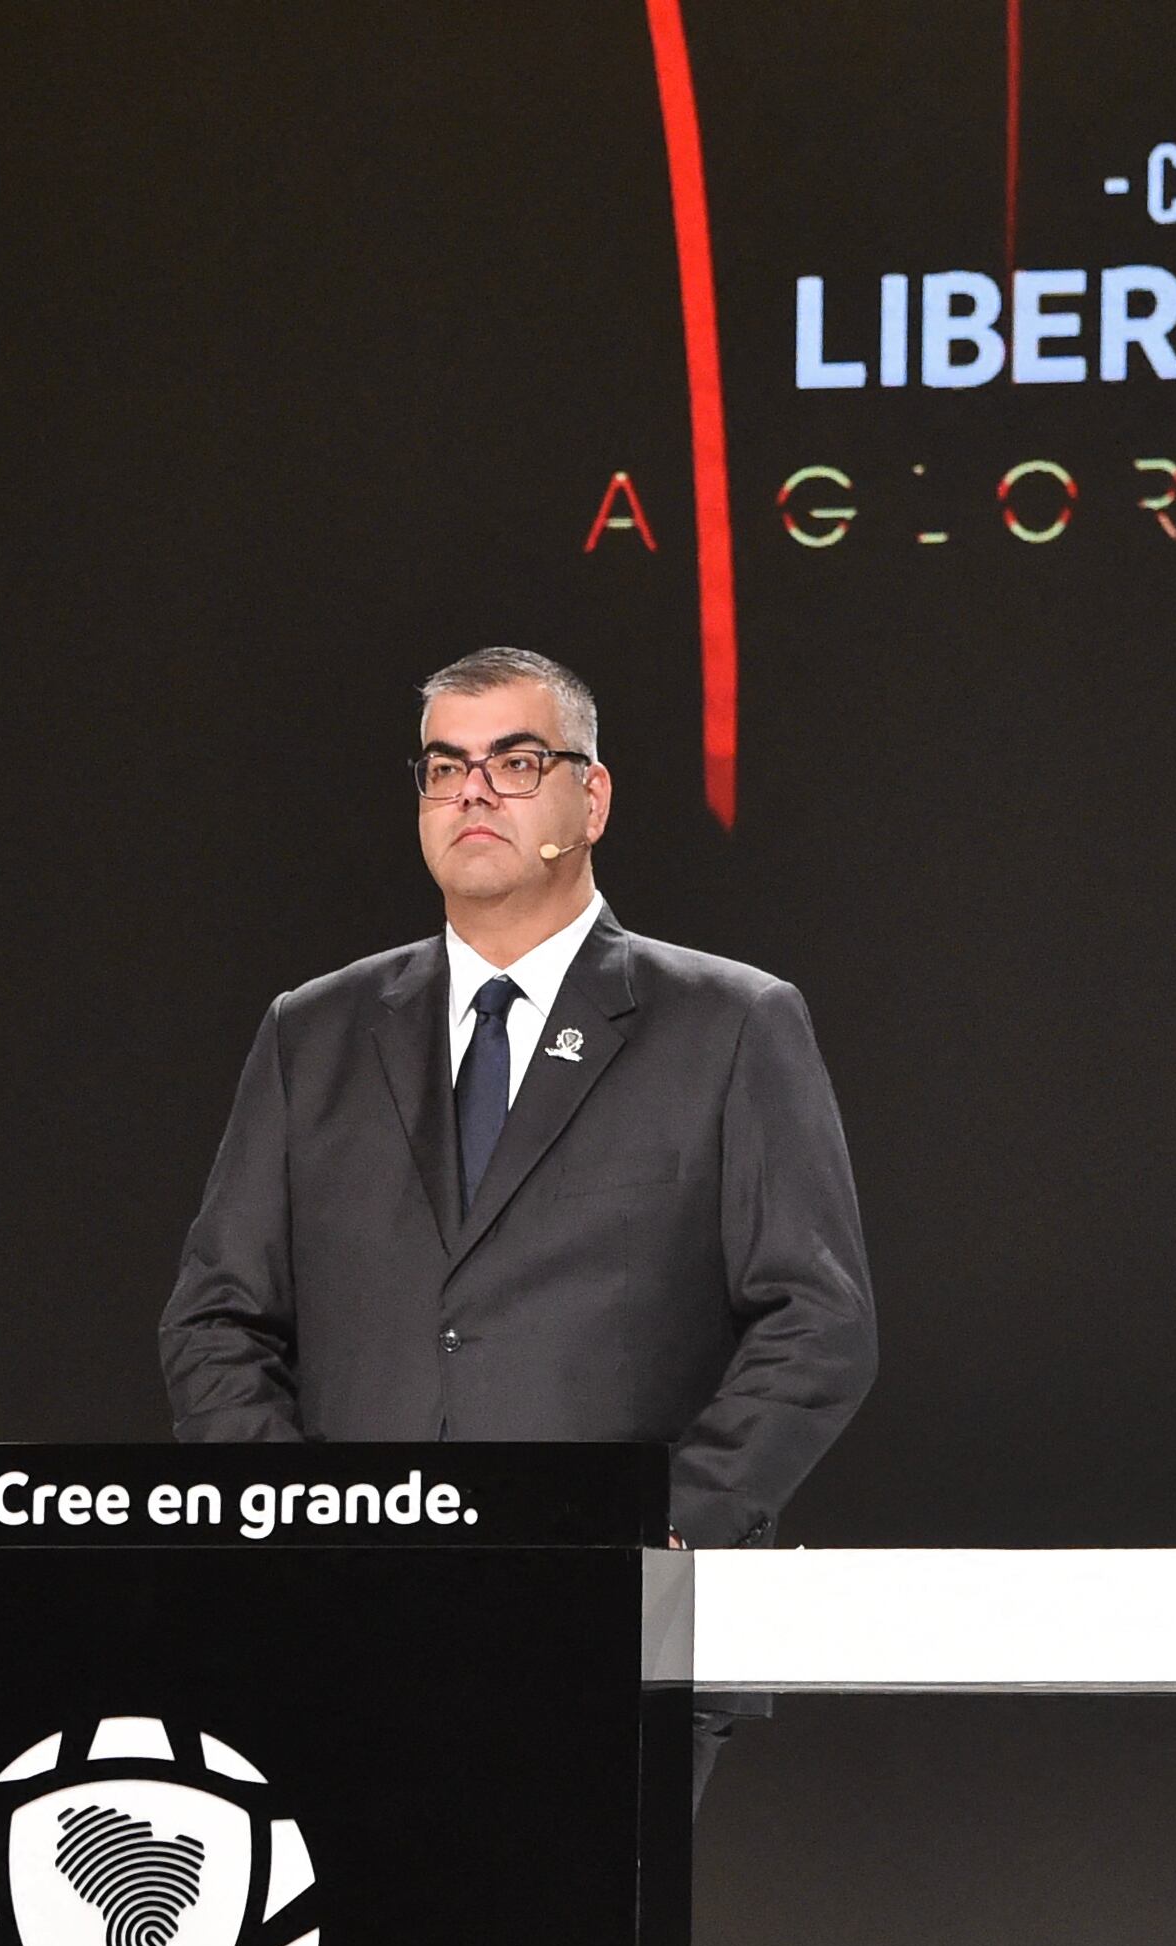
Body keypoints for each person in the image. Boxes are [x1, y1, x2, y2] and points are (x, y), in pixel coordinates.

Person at [160, 647, 876, 1784]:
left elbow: (817, 1319)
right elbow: (214, 1319)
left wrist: (664, 1527)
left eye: (515, 760)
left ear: (589, 797)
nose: (473, 792)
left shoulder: (729, 1025)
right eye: (445, 767)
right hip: (350, 1628)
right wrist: (293, 1523)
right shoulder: (315, 1031)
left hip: (618, 1637)